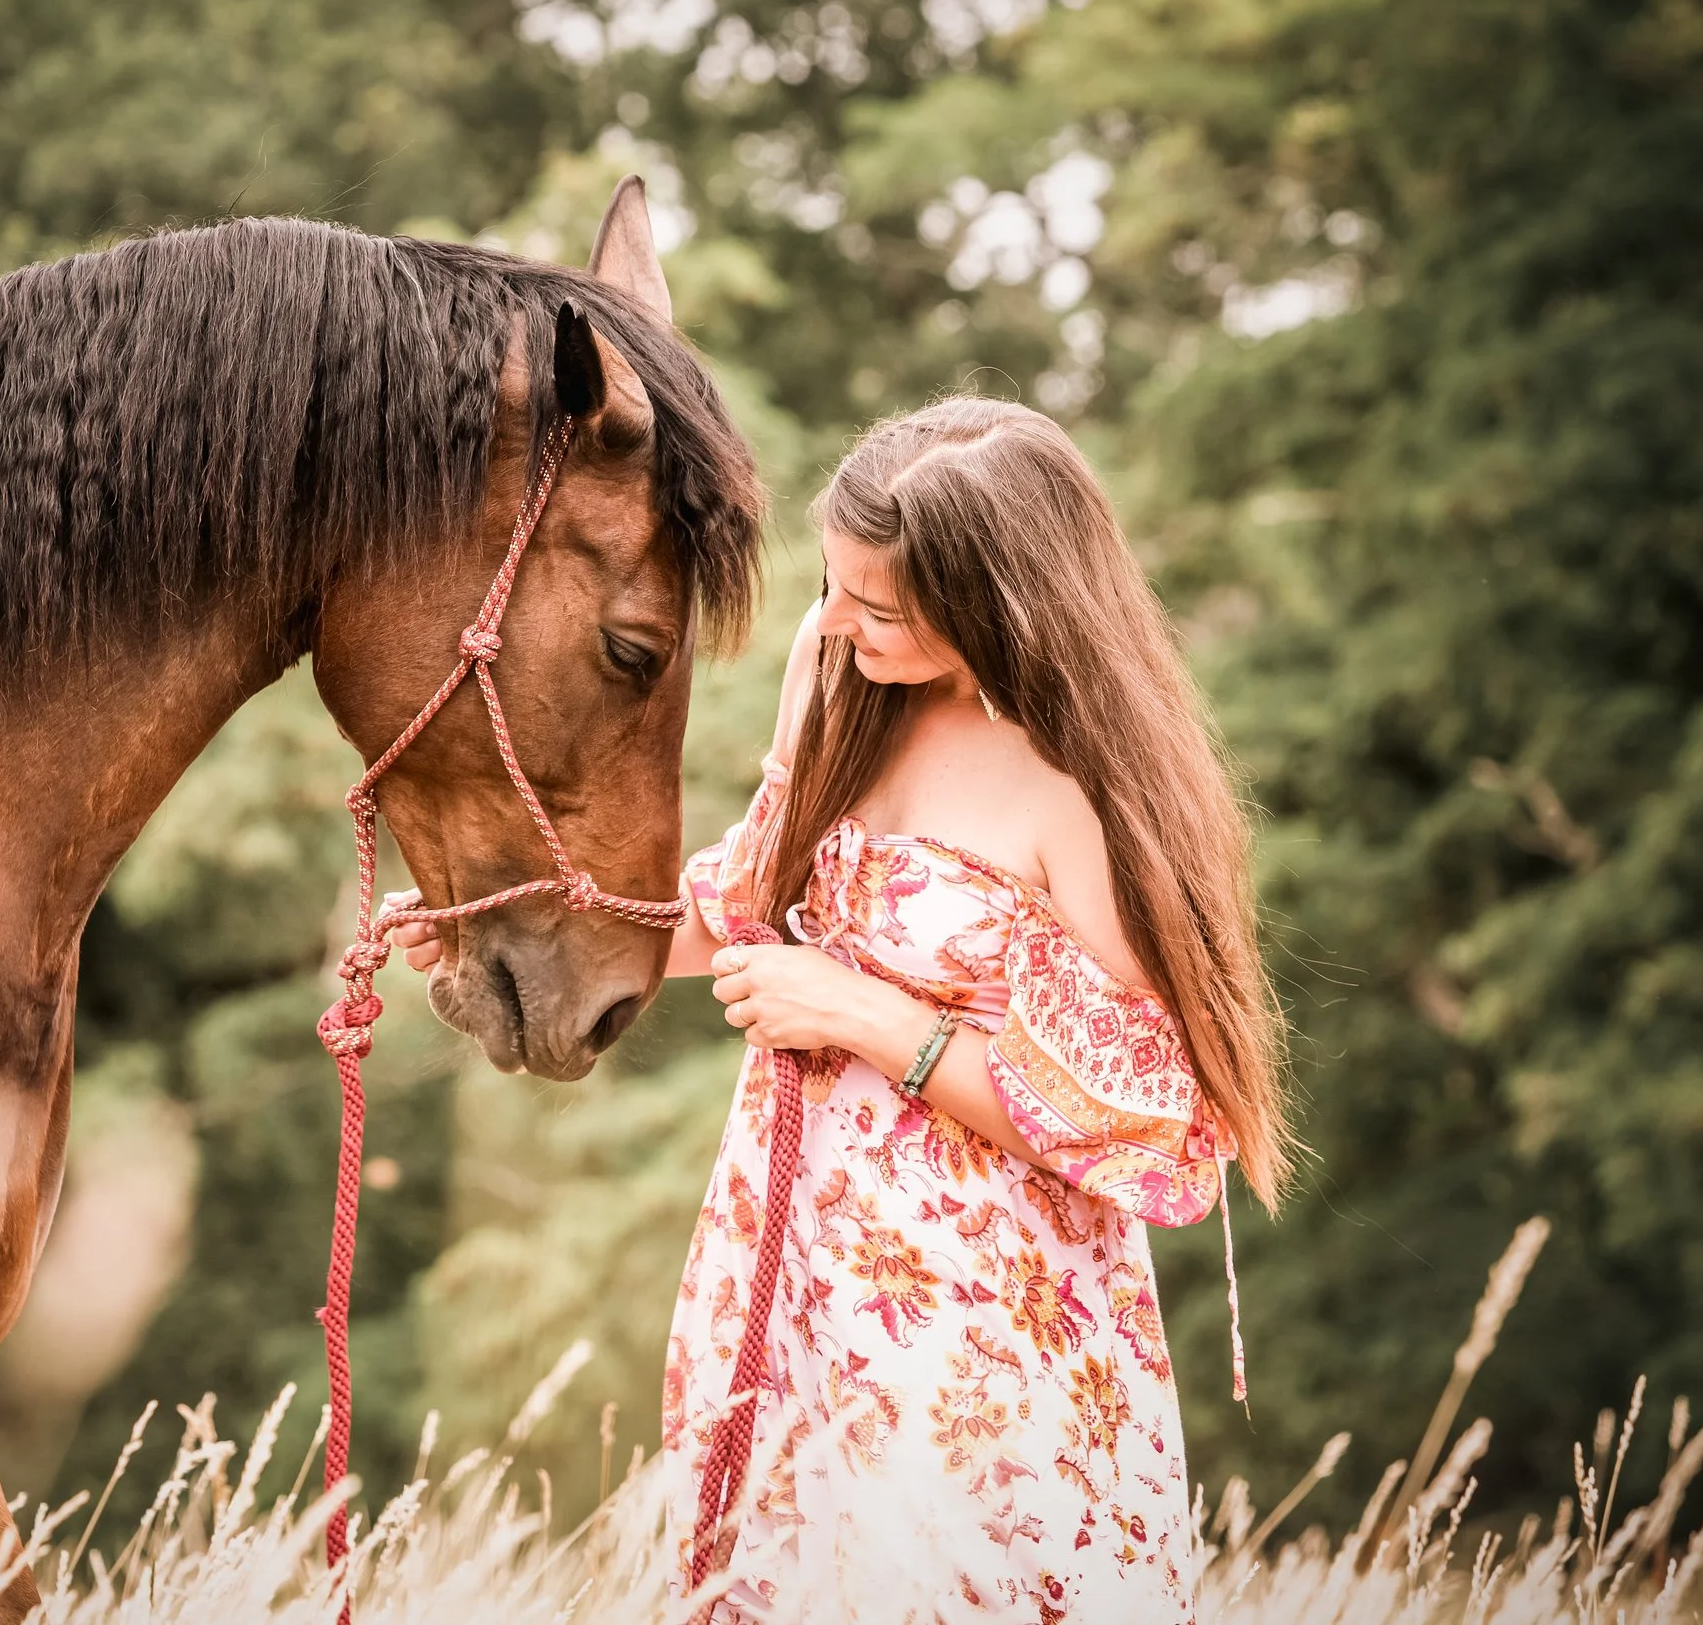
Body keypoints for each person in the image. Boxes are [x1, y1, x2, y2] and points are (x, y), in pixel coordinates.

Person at [395, 396, 1291, 1622]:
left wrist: (867, 1017)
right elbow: (734, 903)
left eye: (881, 606)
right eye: (838, 584)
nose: (835, 622)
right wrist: (496, 914)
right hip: (790, 1271)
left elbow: (1143, 1118)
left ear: (994, 601)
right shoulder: (852, 696)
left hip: (976, 1314)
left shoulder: (1080, 790)